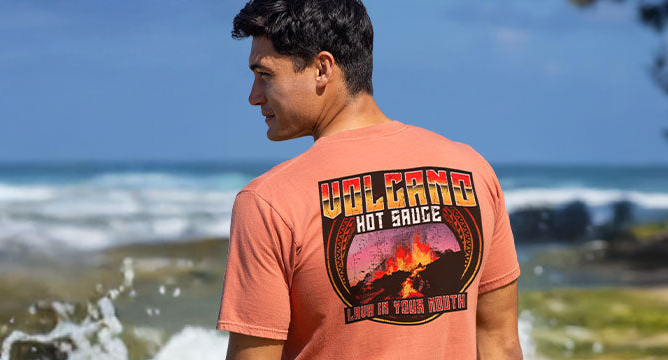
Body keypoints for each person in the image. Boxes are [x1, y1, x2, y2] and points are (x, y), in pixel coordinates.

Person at [216, 0, 522, 359]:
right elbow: (500, 346)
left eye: (265, 75)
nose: (254, 97)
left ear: (322, 69)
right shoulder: (472, 170)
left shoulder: (269, 202)